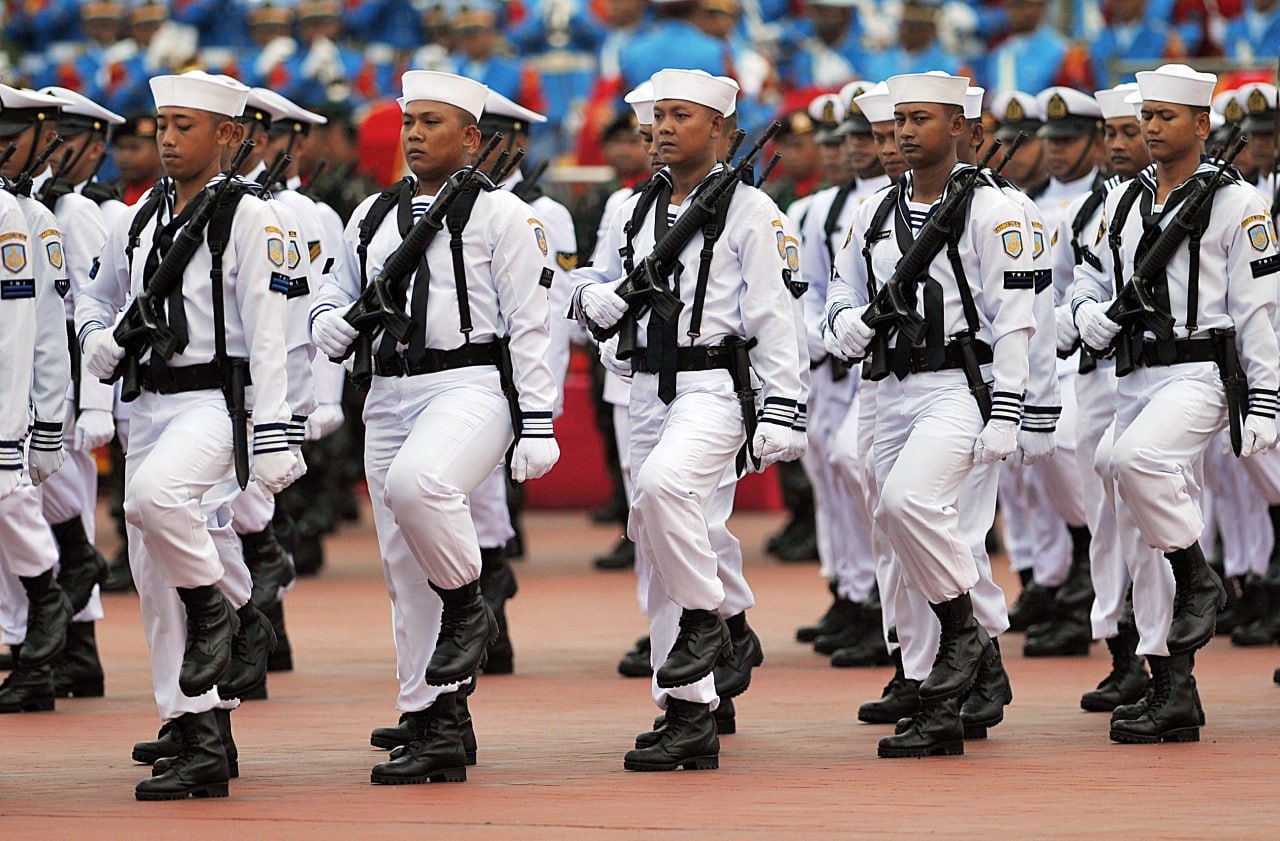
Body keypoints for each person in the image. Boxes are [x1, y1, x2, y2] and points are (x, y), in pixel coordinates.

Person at [310, 70, 560, 784]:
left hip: (470, 383)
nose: (414, 135)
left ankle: (469, 604)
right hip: (387, 390)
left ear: (472, 137)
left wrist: (538, 421)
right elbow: (333, 290)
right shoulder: (371, 214)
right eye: (409, 122)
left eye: (431, 122)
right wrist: (328, 322)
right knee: (401, 564)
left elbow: (530, 325)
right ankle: (435, 715)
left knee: (420, 486)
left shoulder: (505, 216)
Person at [572, 68, 804, 772]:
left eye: (681, 115)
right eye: (659, 116)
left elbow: (776, 314)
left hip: (715, 386)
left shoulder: (753, 211)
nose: (663, 127)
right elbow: (591, 278)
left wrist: (784, 407)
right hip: (645, 385)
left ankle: (711, 619)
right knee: (659, 544)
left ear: (723, 131)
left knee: (666, 489)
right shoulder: (630, 209)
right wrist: (591, 299)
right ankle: (688, 709)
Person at [76, 70, 297, 799]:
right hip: (148, 404)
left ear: (229, 134)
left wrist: (274, 433)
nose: (166, 139)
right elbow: (94, 298)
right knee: (151, 570)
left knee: (153, 499)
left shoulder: (250, 217)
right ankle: (198, 727)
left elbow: (270, 334)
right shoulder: (136, 219)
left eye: (184, 126)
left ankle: (224, 618)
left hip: (217, 404)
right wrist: (97, 341)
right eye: (161, 125)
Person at [826, 72, 1035, 757]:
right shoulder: (873, 211)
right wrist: (845, 325)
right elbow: (839, 292)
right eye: (899, 121)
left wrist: (1010, 410)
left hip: (959, 384)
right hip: (889, 386)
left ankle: (967, 636)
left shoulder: (993, 209)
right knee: (896, 530)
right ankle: (936, 688)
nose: (905, 132)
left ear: (961, 128)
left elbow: (1016, 320)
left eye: (920, 119)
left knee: (913, 504)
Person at [1072, 63, 1280, 743]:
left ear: (1202, 124)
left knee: (1136, 458)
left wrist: (1267, 400)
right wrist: (1088, 315)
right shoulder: (1121, 201)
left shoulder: (1238, 203)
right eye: (1148, 116)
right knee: (1124, 498)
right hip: (1134, 374)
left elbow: (1259, 313)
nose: (1153, 128)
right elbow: (1087, 280)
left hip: (1201, 373)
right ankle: (1171, 687)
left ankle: (1199, 577)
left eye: (1167, 117)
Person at [30, 87, 128, 699]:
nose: (50, 148)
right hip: (36, 374)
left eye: (64, 139)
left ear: (93, 149)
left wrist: (95, 403)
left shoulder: (79, 212)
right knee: (45, 510)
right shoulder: (34, 203)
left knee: (62, 507)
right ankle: (67, 650)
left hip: (66, 379)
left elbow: (96, 313)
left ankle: (73, 650)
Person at [0, 85, 74, 716]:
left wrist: (40, 422)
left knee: (12, 504)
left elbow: (33, 329)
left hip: (8, 398)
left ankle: (47, 595)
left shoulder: (18, 215)